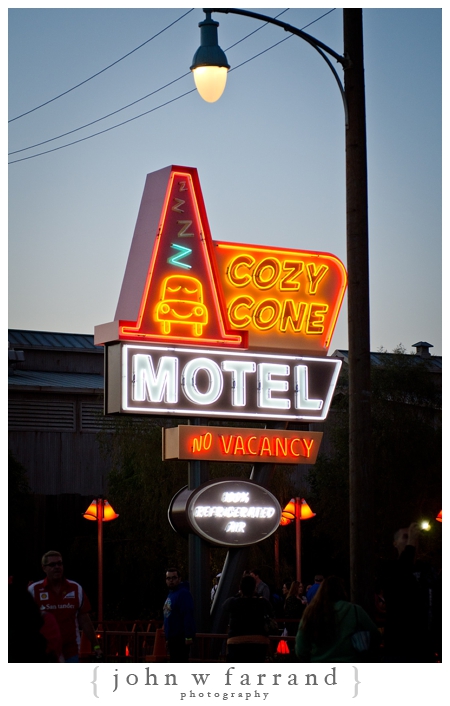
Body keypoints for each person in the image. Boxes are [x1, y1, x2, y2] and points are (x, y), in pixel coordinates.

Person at [28, 550, 101, 663]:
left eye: (60, 563)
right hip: (44, 652)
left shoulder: (75, 588)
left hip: (70, 651)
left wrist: (96, 646)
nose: (57, 567)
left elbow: (85, 620)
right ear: (44, 568)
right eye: (52, 564)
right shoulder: (34, 590)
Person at [382, 522, 438, 662]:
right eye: (405, 537)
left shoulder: (427, 570)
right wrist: (411, 542)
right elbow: (401, 576)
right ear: (395, 543)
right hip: (400, 645)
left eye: (413, 538)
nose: (410, 540)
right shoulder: (390, 569)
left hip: (426, 645)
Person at [295, 575, 381, 662]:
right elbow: (375, 635)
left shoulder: (311, 612)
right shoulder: (355, 610)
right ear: (343, 591)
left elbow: (301, 648)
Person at [226, 575, 273, 662]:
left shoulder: (232, 602)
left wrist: (239, 594)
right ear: (255, 588)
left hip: (236, 641)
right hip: (259, 641)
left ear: (240, 588)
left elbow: (224, 607)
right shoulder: (262, 603)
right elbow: (271, 613)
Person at [163, 567, 196, 662]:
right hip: (172, 637)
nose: (171, 581)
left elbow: (187, 614)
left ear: (179, 579)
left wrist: (188, 636)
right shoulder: (171, 594)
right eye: (168, 578)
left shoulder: (183, 594)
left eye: (174, 578)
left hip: (180, 638)